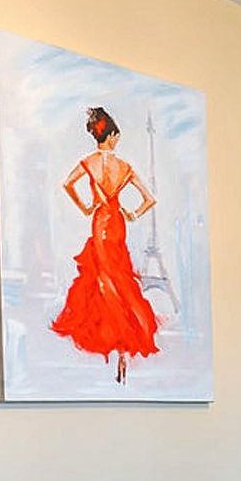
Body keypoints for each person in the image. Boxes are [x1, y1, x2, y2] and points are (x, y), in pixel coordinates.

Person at [53, 105, 159, 382]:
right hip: (117, 224)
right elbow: (150, 199)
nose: (118, 140)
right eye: (117, 136)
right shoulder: (124, 167)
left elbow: (68, 184)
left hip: (100, 220)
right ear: (111, 136)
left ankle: (115, 338)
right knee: (120, 278)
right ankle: (124, 343)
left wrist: (85, 208)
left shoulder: (88, 162)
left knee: (104, 280)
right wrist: (133, 214)